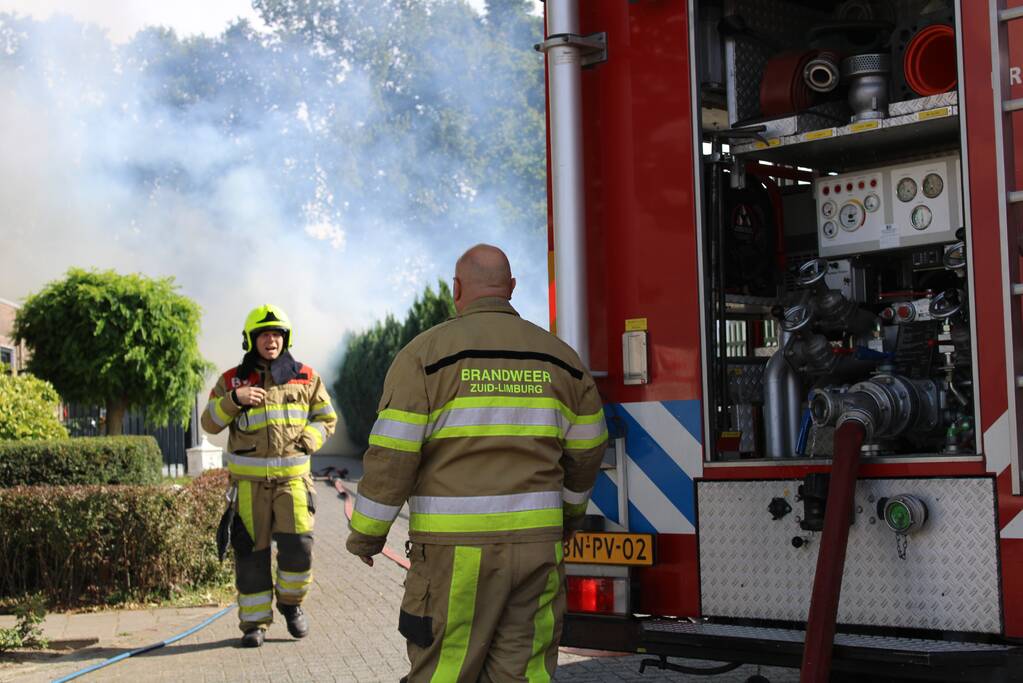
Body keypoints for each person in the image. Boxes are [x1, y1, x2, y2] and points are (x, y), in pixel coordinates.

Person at [346, 244, 608, 681]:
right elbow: (588, 448)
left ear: (457, 289)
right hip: (537, 551)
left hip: (456, 557)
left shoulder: (424, 357)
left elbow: (393, 456)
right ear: (511, 289)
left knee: (446, 671)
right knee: (524, 673)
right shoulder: (561, 360)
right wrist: (568, 518)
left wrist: (367, 536)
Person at [202, 304, 337, 648]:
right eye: (264, 334)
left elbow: (325, 417)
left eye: (277, 334)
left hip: (293, 484)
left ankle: (292, 607)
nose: (271, 340)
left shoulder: (306, 376)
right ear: (251, 339)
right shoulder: (232, 380)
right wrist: (234, 399)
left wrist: (309, 440)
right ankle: (254, 624)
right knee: (250, 554)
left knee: (298, 549)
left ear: (285, 338)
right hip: (248, 488)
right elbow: (209, 423)